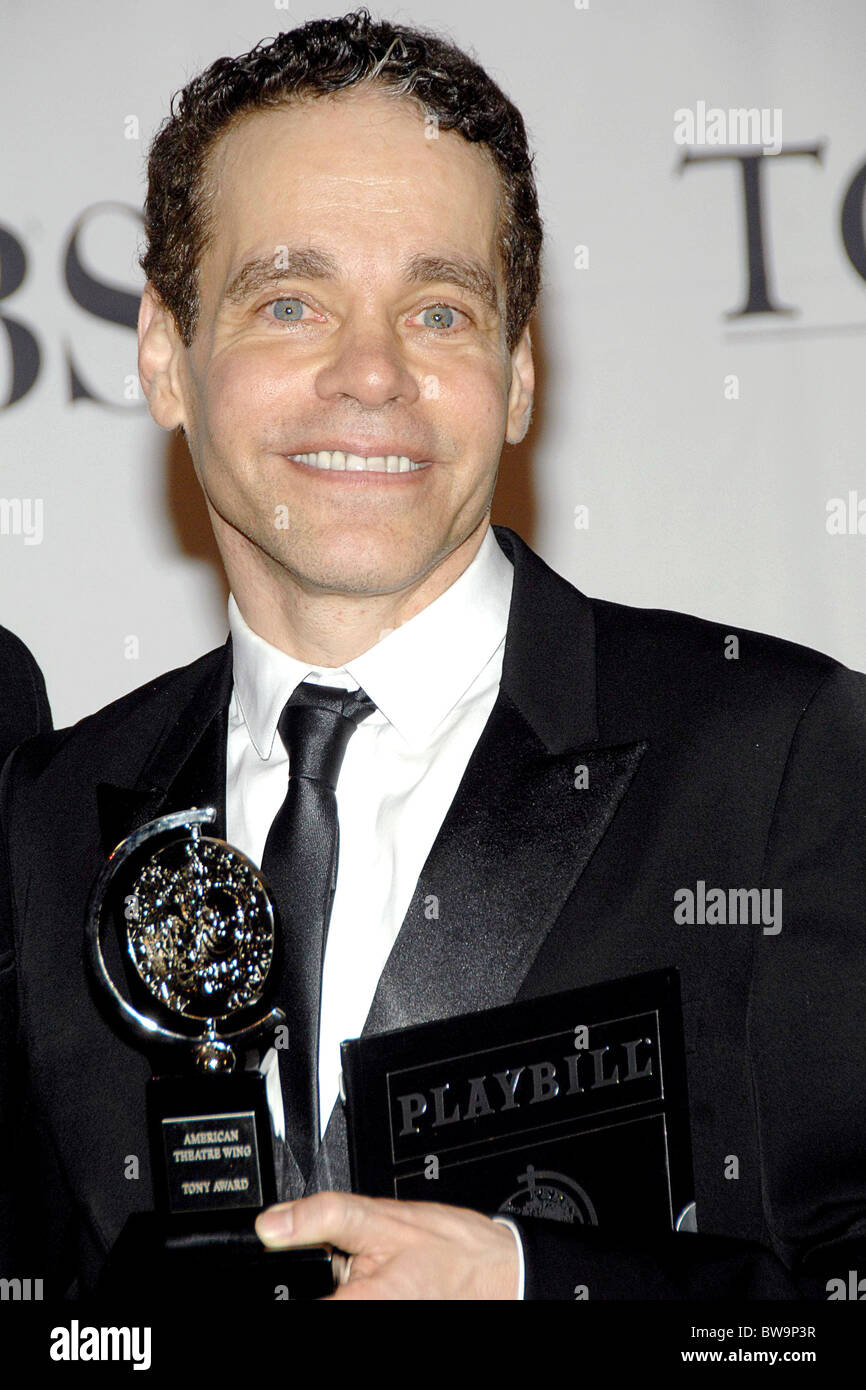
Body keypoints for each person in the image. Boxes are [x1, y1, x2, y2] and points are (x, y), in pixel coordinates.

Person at [1, 10, 865, 1301]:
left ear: (519, 375)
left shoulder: (779, 753)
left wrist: (544, 1284)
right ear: (166, 355)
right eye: (290, 300)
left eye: (441, 310)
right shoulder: (51, 813)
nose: (371, 374)